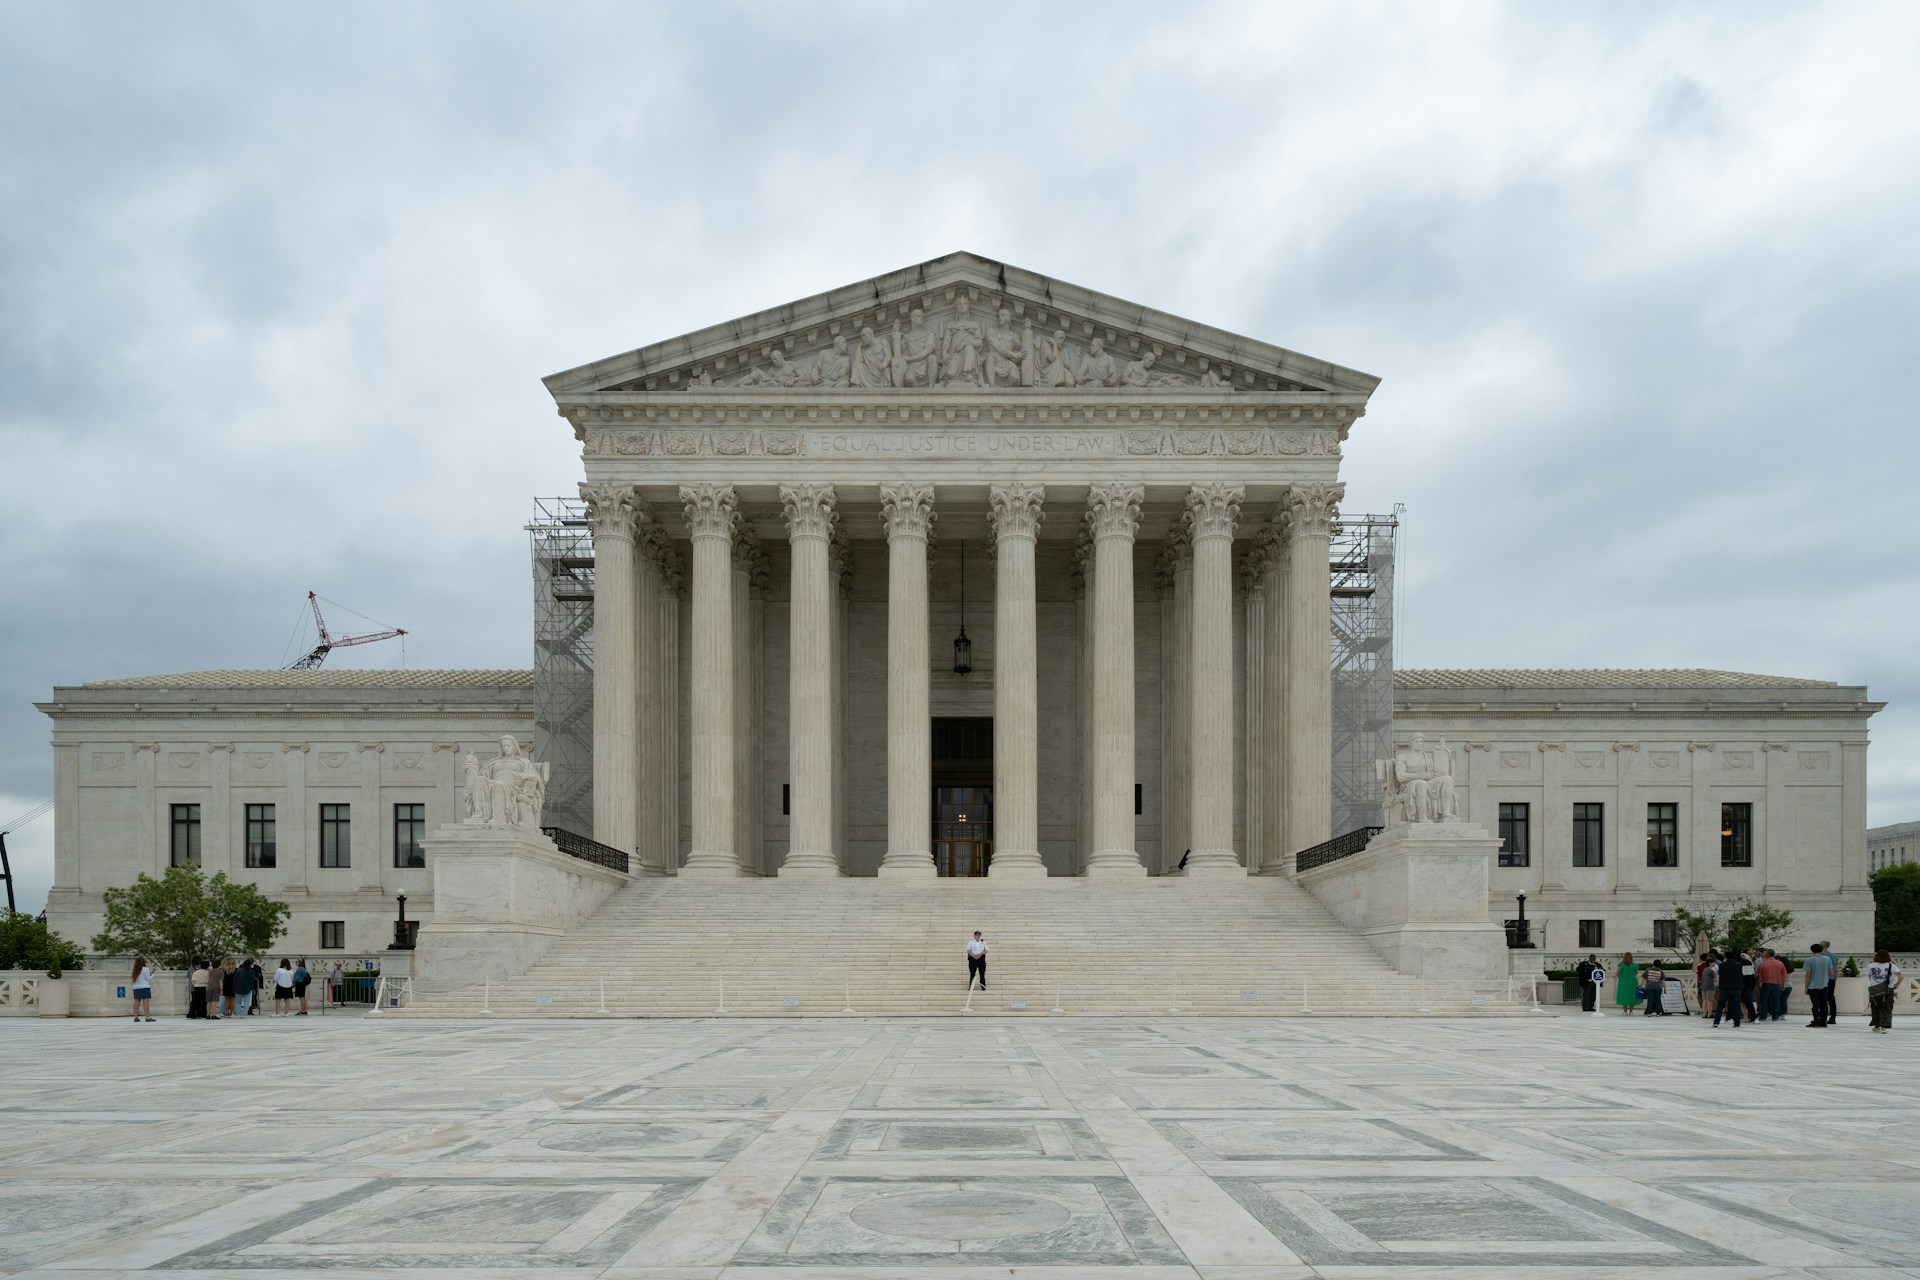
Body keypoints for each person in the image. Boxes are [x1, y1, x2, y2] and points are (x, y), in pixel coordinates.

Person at [1867, 949, 1903, 1034]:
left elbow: (1870, 977)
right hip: (1888, 990)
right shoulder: (1892, 966)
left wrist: (1875, 983)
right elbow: (1901, 977)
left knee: (1875, 1008)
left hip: (1875, 990)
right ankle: (1884, 1027)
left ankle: (1876, 1026)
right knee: (1886, 1008)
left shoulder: (1870, 965)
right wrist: (1896, 984)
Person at [1803, 942, 1837, 1027]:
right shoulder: (1827, 959)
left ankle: (1815, 1021)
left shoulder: (1809, 960)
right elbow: (1831, 972)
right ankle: (1823, 1022)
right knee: (1824, 1004)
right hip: (1824, 984)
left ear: (1812, 950)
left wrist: (1806, 987)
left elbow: (1808, 975)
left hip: (1813, 985)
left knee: (1815, 1004)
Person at [1715, 948, 1747, 1027]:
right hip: (1736, 987)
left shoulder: (1722, 965)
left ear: (1725, 957)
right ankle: (1736, 1022)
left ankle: (1716, 1021)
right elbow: (1740, 976)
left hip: (1725, 987)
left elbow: (1720, 975)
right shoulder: (1738, 965)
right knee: (1736, 1005)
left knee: (1720, 1005)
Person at [1756, 949, 1788, 1022]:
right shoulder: (1780, 963)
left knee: (1764, 1001)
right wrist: (1783, 984)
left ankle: (1763, 1016)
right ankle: (1775, 1016)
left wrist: (1758, 987)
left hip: (1766, 984)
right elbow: (1784, 974)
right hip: (1776, 984)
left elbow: (1759, 977)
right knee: (1776, 1001)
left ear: (1767, 955)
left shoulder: (1763, 964)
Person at [129, 955, 155, 1023]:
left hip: (136, 987)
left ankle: (136, 1018)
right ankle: (147, 1017)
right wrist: (152, 975)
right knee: (145, 1003)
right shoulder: (145, 969)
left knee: (136, 1002)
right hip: (145, 987)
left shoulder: (135, 970)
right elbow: (148, 978)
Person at [1697, 951, 1720, 1020]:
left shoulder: (1704, 969)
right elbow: (1715, 979)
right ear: (1710, 963)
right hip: (1709, 987)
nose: (1714, 964)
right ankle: (1710, 1013)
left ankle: (1704, 1013)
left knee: (1704, 1000)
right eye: (1713, 962)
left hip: (1703, 986)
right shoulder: (1711, 970)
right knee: (1709, 1000)